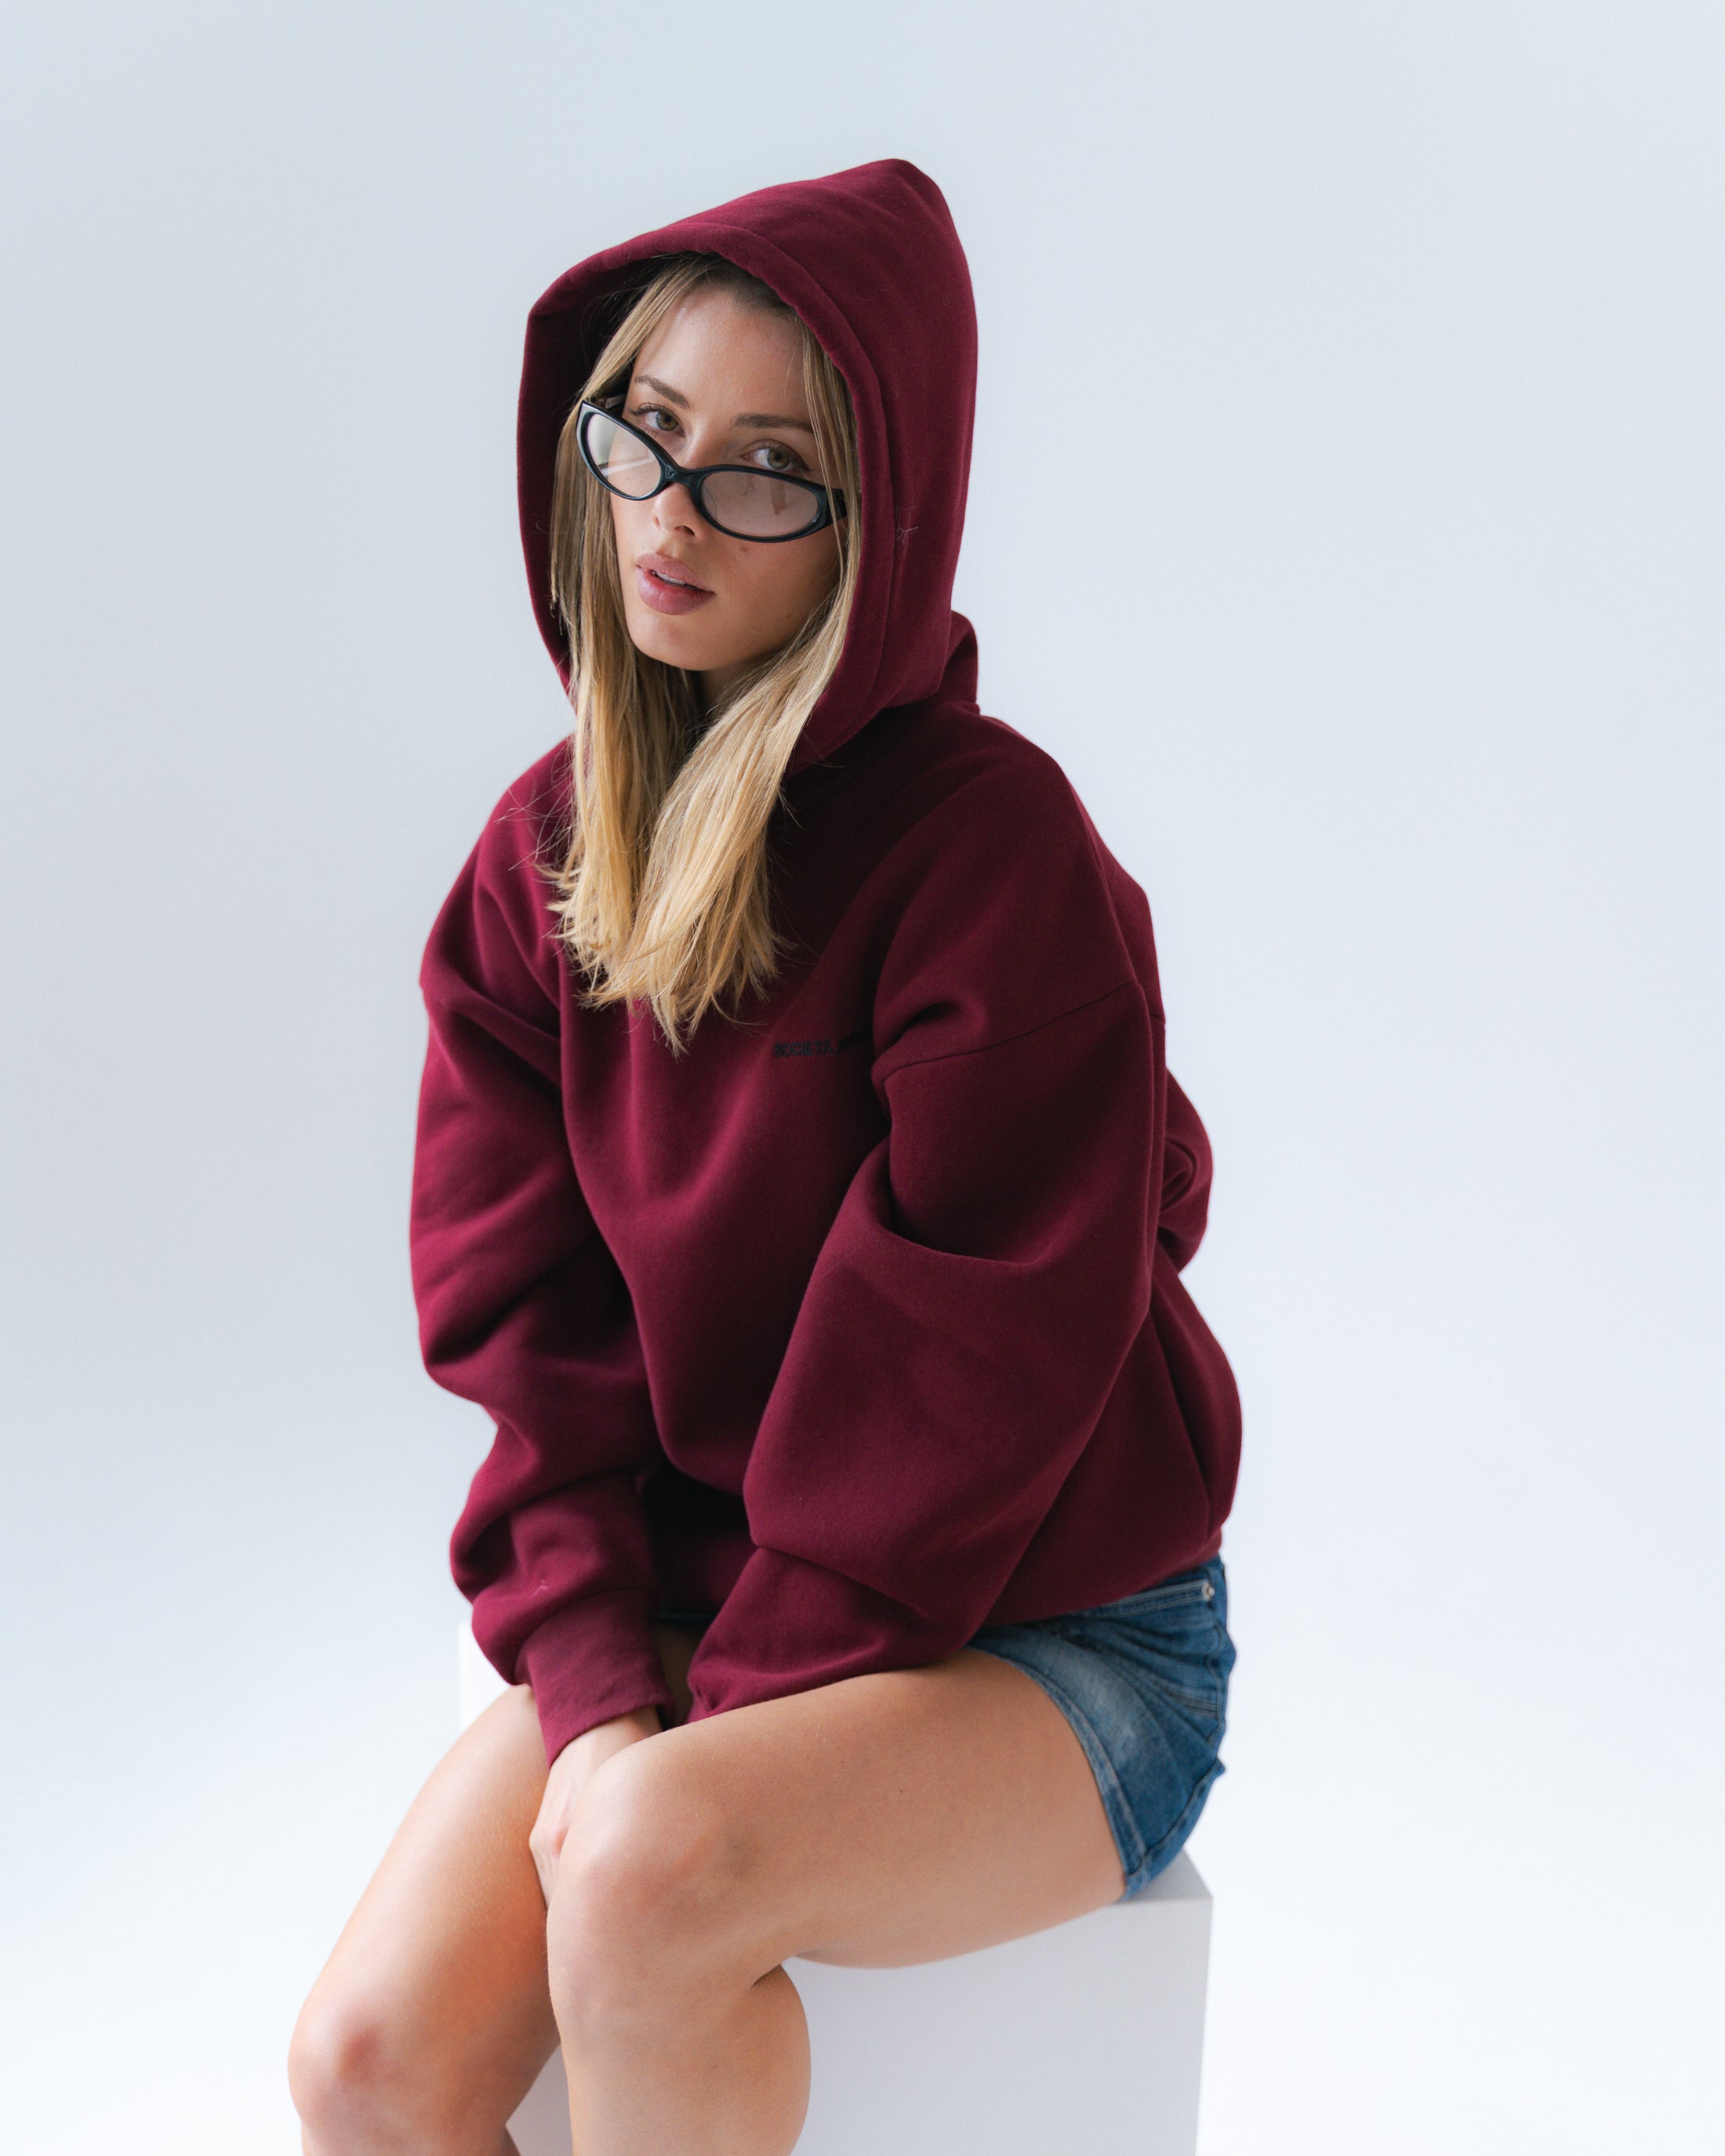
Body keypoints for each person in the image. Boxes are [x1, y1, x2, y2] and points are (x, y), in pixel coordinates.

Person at [288, 157, 1242, 2156]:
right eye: (644, 433)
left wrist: (685, 1744)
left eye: (764, 469)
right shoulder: (540, 862)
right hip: (715, 1597)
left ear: (873, 527)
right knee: (367, 2062)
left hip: (1061, 1644)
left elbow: (964, 1366)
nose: (670, 514)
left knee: (644, 1878)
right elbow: (527, 1344)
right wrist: (594, 1684)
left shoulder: (992, 855)